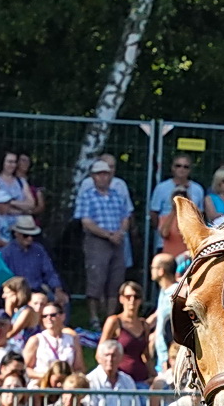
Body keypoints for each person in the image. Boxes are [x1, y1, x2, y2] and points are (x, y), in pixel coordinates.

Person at [74, 157, 133, 323]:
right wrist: (108, 235)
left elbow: (125, 217)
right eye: (99, 174)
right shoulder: (87, 196)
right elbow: (86, 222)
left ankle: (110, 318)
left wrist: (120, 232)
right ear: (93, 176)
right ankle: (93, 317)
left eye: (106, 174)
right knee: (96, 279)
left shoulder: (117, 195)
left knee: (116, 279)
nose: (103, 177)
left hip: (118, 240)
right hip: (97, 241)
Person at [150, 153, 205, 261]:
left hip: (188, 240)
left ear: (190, 170)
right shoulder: (161, 188)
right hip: (165, 238)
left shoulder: (198, 189)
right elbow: (153, 213)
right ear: (172, 168)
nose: (181, 169)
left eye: (186, 166)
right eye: (178, 165)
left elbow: (201, 216)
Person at [101, 282, 154, 386]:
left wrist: (154, 376)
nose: (132, 300)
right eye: (128, 296)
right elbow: (100, 352)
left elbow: (146, 355)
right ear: (121, 299)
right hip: (120, 381)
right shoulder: (114, 322)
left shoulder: (145, 325)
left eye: (136, 297)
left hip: (141, 380)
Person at [22, 302, 80, 381]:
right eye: (44, 316)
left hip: (66, 384)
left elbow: (79, 368)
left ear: (63, 316)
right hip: (42, 384)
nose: (48, 318)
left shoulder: (72, 340)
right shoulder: (36, 340)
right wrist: (47, 377)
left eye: (52, 315)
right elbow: (25, 368)